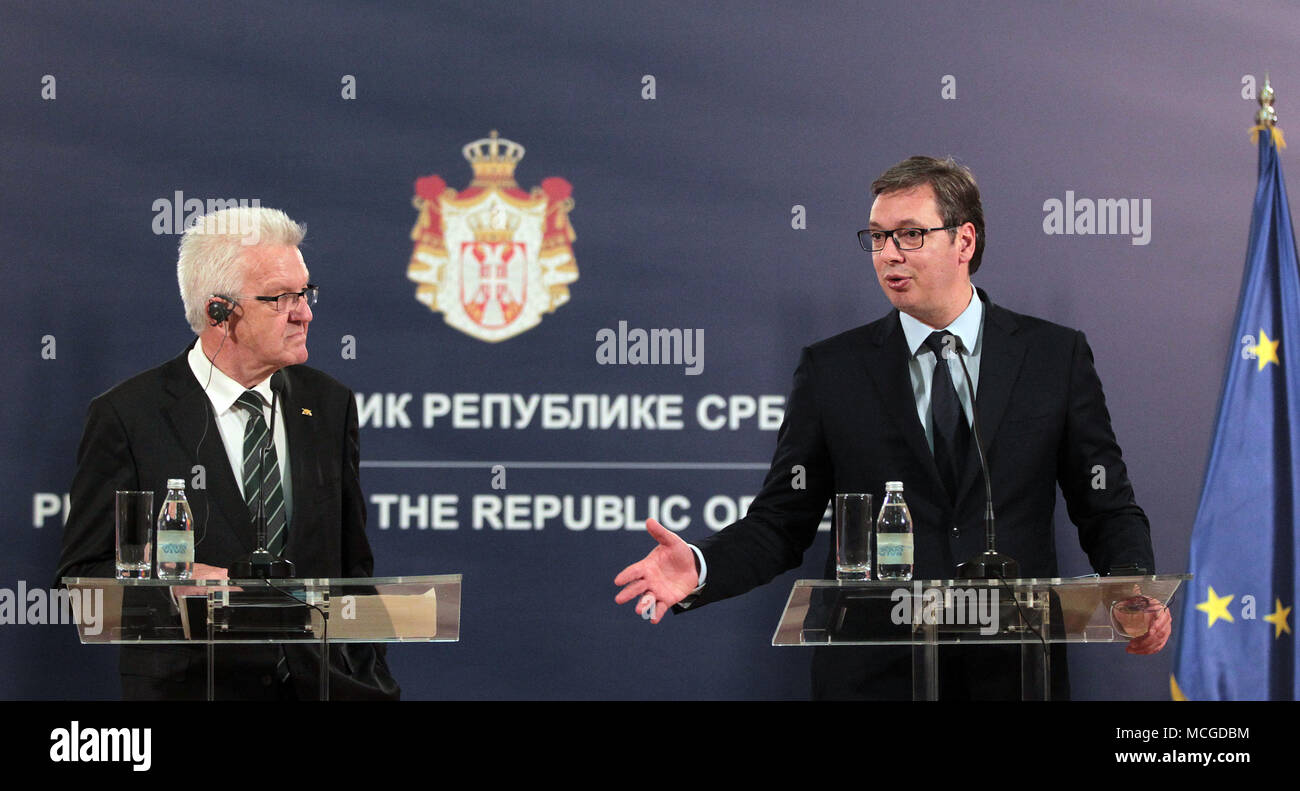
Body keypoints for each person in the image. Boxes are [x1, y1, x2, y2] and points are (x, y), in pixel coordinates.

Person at [614, 156, 1171, 700]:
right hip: (874, 677)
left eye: (909, 235)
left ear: (965, 242)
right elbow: (782, 521)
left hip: (1014, 673)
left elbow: (1106, 504)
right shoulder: (833, 370)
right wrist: (704, 564)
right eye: (877, 237)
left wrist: (1132, 587)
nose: (889, 255)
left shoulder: (1054, 356)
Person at [57, 207, 399, 700]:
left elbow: (353, 571)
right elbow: (83, 581)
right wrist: (163, 582)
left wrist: (377, 685)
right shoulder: (129, 416)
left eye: (305, 293)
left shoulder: (327, 404)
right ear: (220, 312)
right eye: (282, 298)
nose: (304, 313)